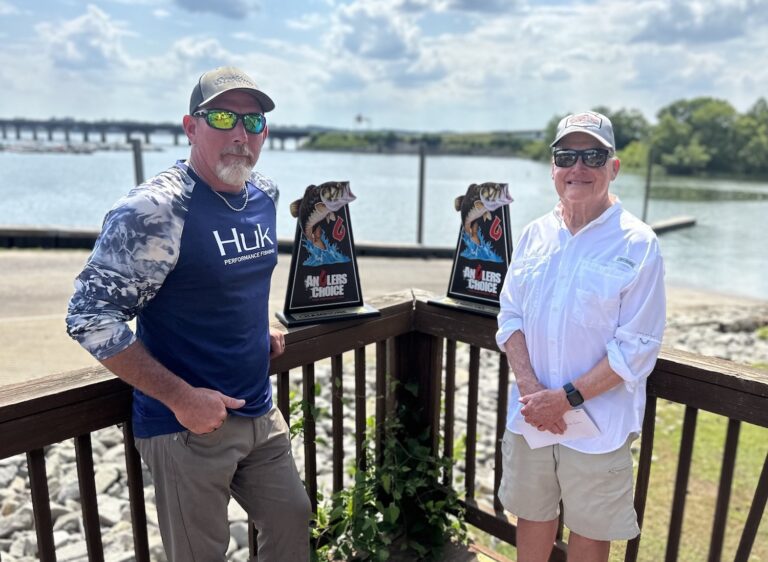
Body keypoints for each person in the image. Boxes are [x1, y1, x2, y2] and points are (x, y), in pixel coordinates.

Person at [66, 66, 311, 561]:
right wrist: (181, 398)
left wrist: (255, 321)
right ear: (190, 126)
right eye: (223, 116)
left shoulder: (262, 194)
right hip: (186, 427)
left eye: (255, 121)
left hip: (259, 409)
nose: (241, 134)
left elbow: (236, 274)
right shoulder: (156, 210)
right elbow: (90, 315)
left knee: (292, 519)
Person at [495, 111, 666, 562]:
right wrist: (534, 392)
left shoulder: (639, 244)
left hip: (599, 428)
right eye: (566, 156)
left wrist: (566, 398)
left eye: (593, 155)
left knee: (589, 532)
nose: (579, 168)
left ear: (614, 166)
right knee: (532, 516)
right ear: (553, 167)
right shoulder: (534, 235)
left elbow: (638, 347)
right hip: (532, 415)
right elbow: (509, 315)